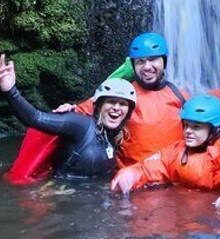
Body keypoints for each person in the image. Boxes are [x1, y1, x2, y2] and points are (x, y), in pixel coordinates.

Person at [110, 95, 220, 209]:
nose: (188, 131)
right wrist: (130, 174)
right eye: (186, 125)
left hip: (211, 215)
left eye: (197, 127)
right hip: (181, 210)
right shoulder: (176, 150)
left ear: (216, 131)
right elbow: (148, 168)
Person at [57, 32, 190, 168]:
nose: (147, 67)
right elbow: (84, 111)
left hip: (170, 175)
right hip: (128, 179)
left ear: (164, 61)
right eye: (140, 61)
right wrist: (70, 109)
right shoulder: (122, 92)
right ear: (133, 65)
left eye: (153, 59)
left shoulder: (180, 95)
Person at [0, 54, 136, 178]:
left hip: (95, 202)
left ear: (128, 111)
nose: (116, 108)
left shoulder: (112, 136)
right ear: (99, 106)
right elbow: (35, 118)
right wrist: (10, 91)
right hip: (63, 198)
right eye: (111, 102)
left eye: (122, 104)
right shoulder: (80, 125)